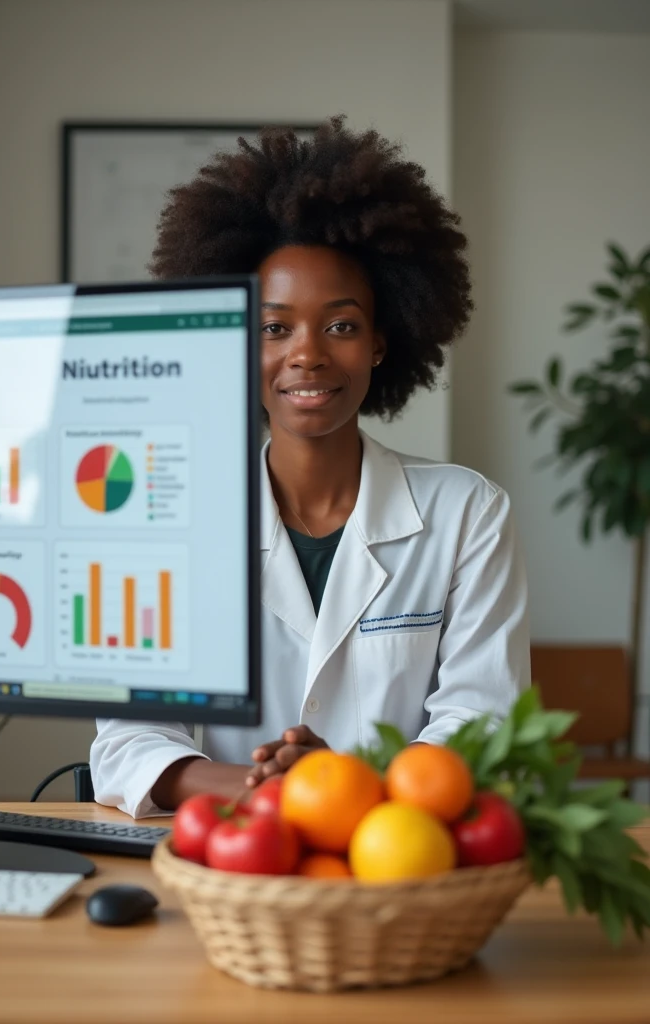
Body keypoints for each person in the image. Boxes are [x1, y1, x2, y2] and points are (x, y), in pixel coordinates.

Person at [91, 116, 530, 818]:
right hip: (234, 854)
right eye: (274, 327)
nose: (307, 355)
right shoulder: (174, 519)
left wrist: (347, 791)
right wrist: (269, 788)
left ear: (383, 343)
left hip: (399, 860)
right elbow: (129, 740)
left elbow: (482, 725)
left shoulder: (466, 512)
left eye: (341, 325)